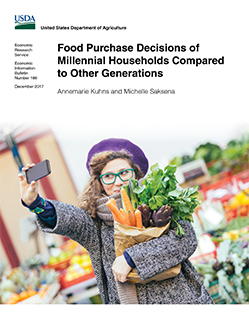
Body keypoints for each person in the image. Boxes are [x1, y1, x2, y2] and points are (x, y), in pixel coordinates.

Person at [18, 138, 214, 304]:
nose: (118, 182)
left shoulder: (160, 201)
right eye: (109, 176)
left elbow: (185, 240)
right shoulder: (95, 222)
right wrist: (35, 202)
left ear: (136, 174)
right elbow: (68, 217)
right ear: (99, 182)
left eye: (124, 173)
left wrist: (132, 258)